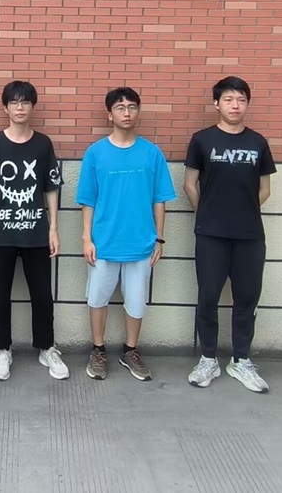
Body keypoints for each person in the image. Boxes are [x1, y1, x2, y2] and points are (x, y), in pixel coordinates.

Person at [184, 76, 277, 393]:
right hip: (210, 233)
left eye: (241, 99)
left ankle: (241, 360)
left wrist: (242, 212)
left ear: (247, 104)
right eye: (228, 99)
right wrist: (208, 215)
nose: (235, 105)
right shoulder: (202, 140)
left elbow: (265, 189)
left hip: (250, 234)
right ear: (216, 104)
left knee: (247, 298)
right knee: (208, 297)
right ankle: (208, 359)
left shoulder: (258, 142)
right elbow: (189, 184)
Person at [77, 87, 176, 381]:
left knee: (136, 301)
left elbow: (160, 199)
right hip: (104, 243)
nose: (127, 113)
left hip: (141, 243)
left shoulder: (151, 153)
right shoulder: (95, 153)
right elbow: (88, 200)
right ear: (110, 115)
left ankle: (130, 350)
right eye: (120, 108)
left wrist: (159, 238)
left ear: (138, 112)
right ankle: (98, 349)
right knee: (98, 298)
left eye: (132, 107)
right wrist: (86, 238)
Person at [0, 80, 68, 381]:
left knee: (42, 294)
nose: (20, 107)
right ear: (5, 108)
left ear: (32, 107)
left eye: (25, 102)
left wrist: (53, 229)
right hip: (1, 232)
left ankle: (47, 347)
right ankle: (2, 350)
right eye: (14, 102)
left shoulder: (43, 143)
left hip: (36, 232)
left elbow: (51, 188)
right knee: (0, 295)